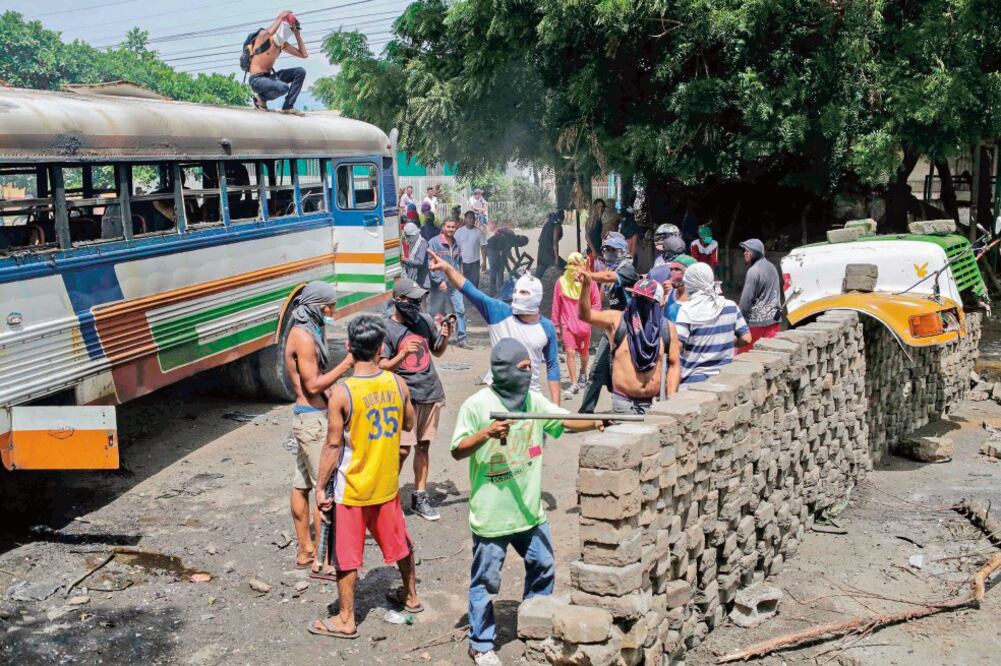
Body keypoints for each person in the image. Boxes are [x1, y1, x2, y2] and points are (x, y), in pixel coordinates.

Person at [451, 339, 606, 666]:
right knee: (486, 583)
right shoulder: (477, 406)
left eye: (529, 368)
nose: (528, 373)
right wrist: (487, 434)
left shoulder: (532, 400)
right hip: (492, 518)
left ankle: (534, 621)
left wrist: (595, 421)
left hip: (529, 513)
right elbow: (457, 449)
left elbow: (562, 421)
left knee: (543, 566)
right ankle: (480, 644)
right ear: (504, 371)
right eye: (522, 369)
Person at [310, 315, 420, 639]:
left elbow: (332, 446)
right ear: (381, 348)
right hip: (386, 485)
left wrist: (319, 487)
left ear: (348, 347)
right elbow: (410, 424)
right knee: (400, 544)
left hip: (353, 488)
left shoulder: (343, 394)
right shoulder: (397, 384)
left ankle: (346, 619)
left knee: (346, 556)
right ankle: (411, 596)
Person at [283, 282, 356, 577]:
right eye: (329, 306)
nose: (332, 311)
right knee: (323, 488)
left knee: (301, 485)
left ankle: (305, 550)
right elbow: (312, 384)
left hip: (305, 417)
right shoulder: (303, 337)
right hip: (312, 421)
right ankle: (321, 560)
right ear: (316, 306)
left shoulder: (306, 329)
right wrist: (346, 365)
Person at [428, 251, 562, 405]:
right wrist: (447, 268)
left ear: (536, 296)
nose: (518, 295)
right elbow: (469, 289)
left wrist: (555, 408)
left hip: (530, 398)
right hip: (499, 398)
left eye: (524, 292)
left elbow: (552, 366)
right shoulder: (498, 312)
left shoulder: (546, 327)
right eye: (516, 291)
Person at [380, 279, 452, 521]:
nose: (416, 304)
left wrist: (445, 336)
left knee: (423, 446)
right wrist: (402, 354)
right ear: (398, 301)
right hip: (404, 397)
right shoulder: (386, 329)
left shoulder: (425, 321)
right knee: (401, 450)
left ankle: (420, 496)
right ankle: (387, 498)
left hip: (430, 391)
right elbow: (381, 366)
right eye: (411, 301)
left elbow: (437, 350)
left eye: (418, 300)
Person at [578, 275, 676, 413]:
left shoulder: (667, 328)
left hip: (653, 406)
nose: (640, 303)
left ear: (659, 303)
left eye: (646, 300)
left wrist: (670, 400)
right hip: (624, 404)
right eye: (637, 297)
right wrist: (585, 286)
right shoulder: (618, 321)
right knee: (596, 373)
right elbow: (585, 315)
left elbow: (674, 364)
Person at [578, 234, 639, 413]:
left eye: (613, 251)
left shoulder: (627, 270)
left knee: (622, 371)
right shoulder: (609, 270)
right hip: (611, 328)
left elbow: (607, 276)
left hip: (629, 330)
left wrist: (589, 275)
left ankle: (626, 410)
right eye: (607, 251)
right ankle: (585, 413)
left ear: (623, 252)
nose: (609, 255)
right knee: (597, 370)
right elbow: (604, 295)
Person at [675, 263, 752, 386]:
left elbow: (677, 346)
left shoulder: (686, 310)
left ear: (690, 284)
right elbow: (746, 339)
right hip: (724, 380)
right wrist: (726, 341)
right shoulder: (730, 306)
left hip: (693, 383)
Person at [550, 252, 601, 399]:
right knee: (570, 352)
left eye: (576, 264)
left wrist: (592, 318)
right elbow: (556, 305)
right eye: (570, 264)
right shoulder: (561, 282)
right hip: (567, 325)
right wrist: (556, 325)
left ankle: (583, 372)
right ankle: (574, 383)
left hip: (584, 325)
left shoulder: (589, 282)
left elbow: (596, 303)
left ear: (582, 266)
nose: (573, 268)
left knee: (584, 353)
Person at [247, 10, 308, 115]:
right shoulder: (263, 37)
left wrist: (297, 34)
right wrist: (280, 17)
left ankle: (287, 107)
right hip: (257, 80)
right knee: (283, 87)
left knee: (300, 71)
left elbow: (303, 54)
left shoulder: (282, 44)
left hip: (269, 78)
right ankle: (260, 98)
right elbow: (270, 32)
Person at [428, 219, 470, 348]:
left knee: (460, 310)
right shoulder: (434, 243)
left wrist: (460, 280)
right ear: (443, 227)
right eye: (449, 227)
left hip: (454, 284)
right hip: (439, 285)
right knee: (436, 312)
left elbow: (459, 264)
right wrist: (439, 281)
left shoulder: (456, 243)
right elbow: (431, 264)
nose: (451, 229)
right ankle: (435, 338)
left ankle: (462, 339)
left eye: (453, 227)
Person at [737, 238, 782, 353]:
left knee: (745, 357)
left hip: (756, 323)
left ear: (756, 252)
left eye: (748, 251)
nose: (745, 253)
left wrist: (738, 320)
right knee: (769, 356)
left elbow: (746, 300)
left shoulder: (753, 271)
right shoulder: (772, 267)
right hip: (773, 320)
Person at [454, 211, 488, 289]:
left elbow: (483, 247)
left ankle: (473, 300)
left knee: (474, 284)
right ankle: (465, 300)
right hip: (462, 262)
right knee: (463, 284)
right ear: (465, 219)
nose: (472, 220)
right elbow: (455, 247)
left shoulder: (478, 232)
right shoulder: (459, 232)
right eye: (470, 218)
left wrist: (484, 262)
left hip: (475, 263)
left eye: (473, 218)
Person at [661, 254, 697, 323]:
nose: (673, 272)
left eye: (677, 269)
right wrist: (664, 294)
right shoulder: (670, 292)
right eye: (671, 269)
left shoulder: (698, 297)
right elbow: (661, 306)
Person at [400, 222, 430, 291]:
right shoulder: (414, 243)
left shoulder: (422, 243)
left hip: (423, 283)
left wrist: (406, 260)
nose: (407, 238)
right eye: (406, 236)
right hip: (416, 282)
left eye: (408, 236)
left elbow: (419, 262)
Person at [534, 210, 564, 278]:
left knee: (538, 275)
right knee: (565, 267)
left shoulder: (547, 224)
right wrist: (556, 259)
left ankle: (532, 286)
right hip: (549, 254)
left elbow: (539, 239)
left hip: (541, 253)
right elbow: (555, 243)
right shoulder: (557, 226)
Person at [585, 199, 606, 269]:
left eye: (602, 207)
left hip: (601, 252)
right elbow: (587, 236)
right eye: (598, 207)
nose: (600, 209)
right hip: (593, 251)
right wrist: (593, 250)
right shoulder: (591, 220)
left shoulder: (602, 220)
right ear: (594, 207)